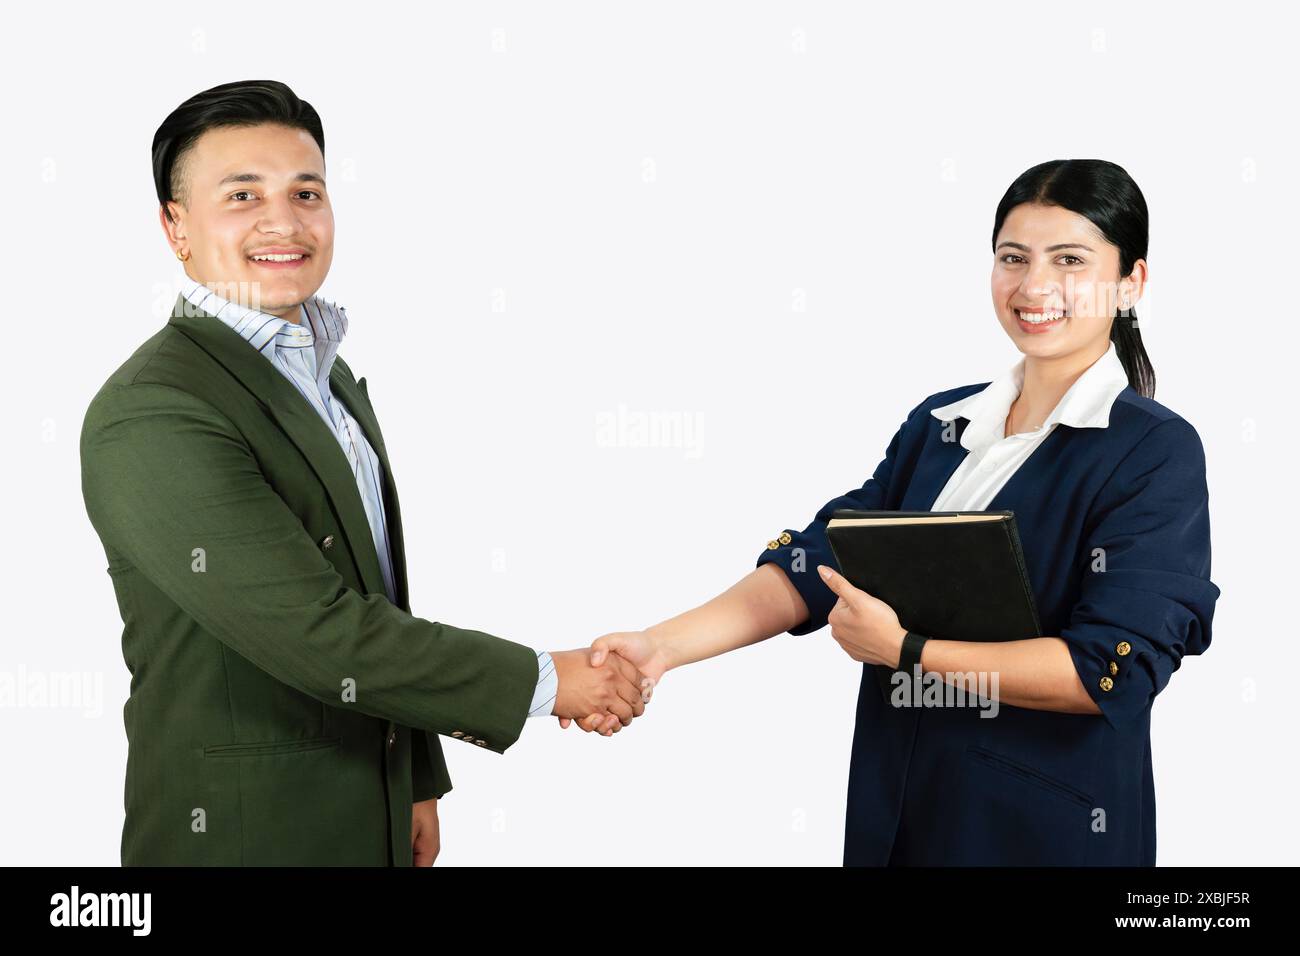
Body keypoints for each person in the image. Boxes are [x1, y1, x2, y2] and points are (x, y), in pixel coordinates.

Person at [568, 159, 1221, 866]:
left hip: (1040, 830)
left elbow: (1108, 672)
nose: (1035, 287)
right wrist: (661, 647)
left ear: (1131, 282)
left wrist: (908, 653)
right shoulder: (940, 426)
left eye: (1070, 260)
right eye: (1013, 258)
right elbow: (820, 561)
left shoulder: (1153, 451)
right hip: (902, 812)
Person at [79, 80, 650, 867]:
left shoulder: (327, 378)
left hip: (366, 809)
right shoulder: (155, 412)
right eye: (242, 195)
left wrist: (412, 776)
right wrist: (547, 682)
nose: (283, 222)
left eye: (305, 192)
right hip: (247, 837)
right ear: (175, 227)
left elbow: (375, 598)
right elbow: (317, 632)